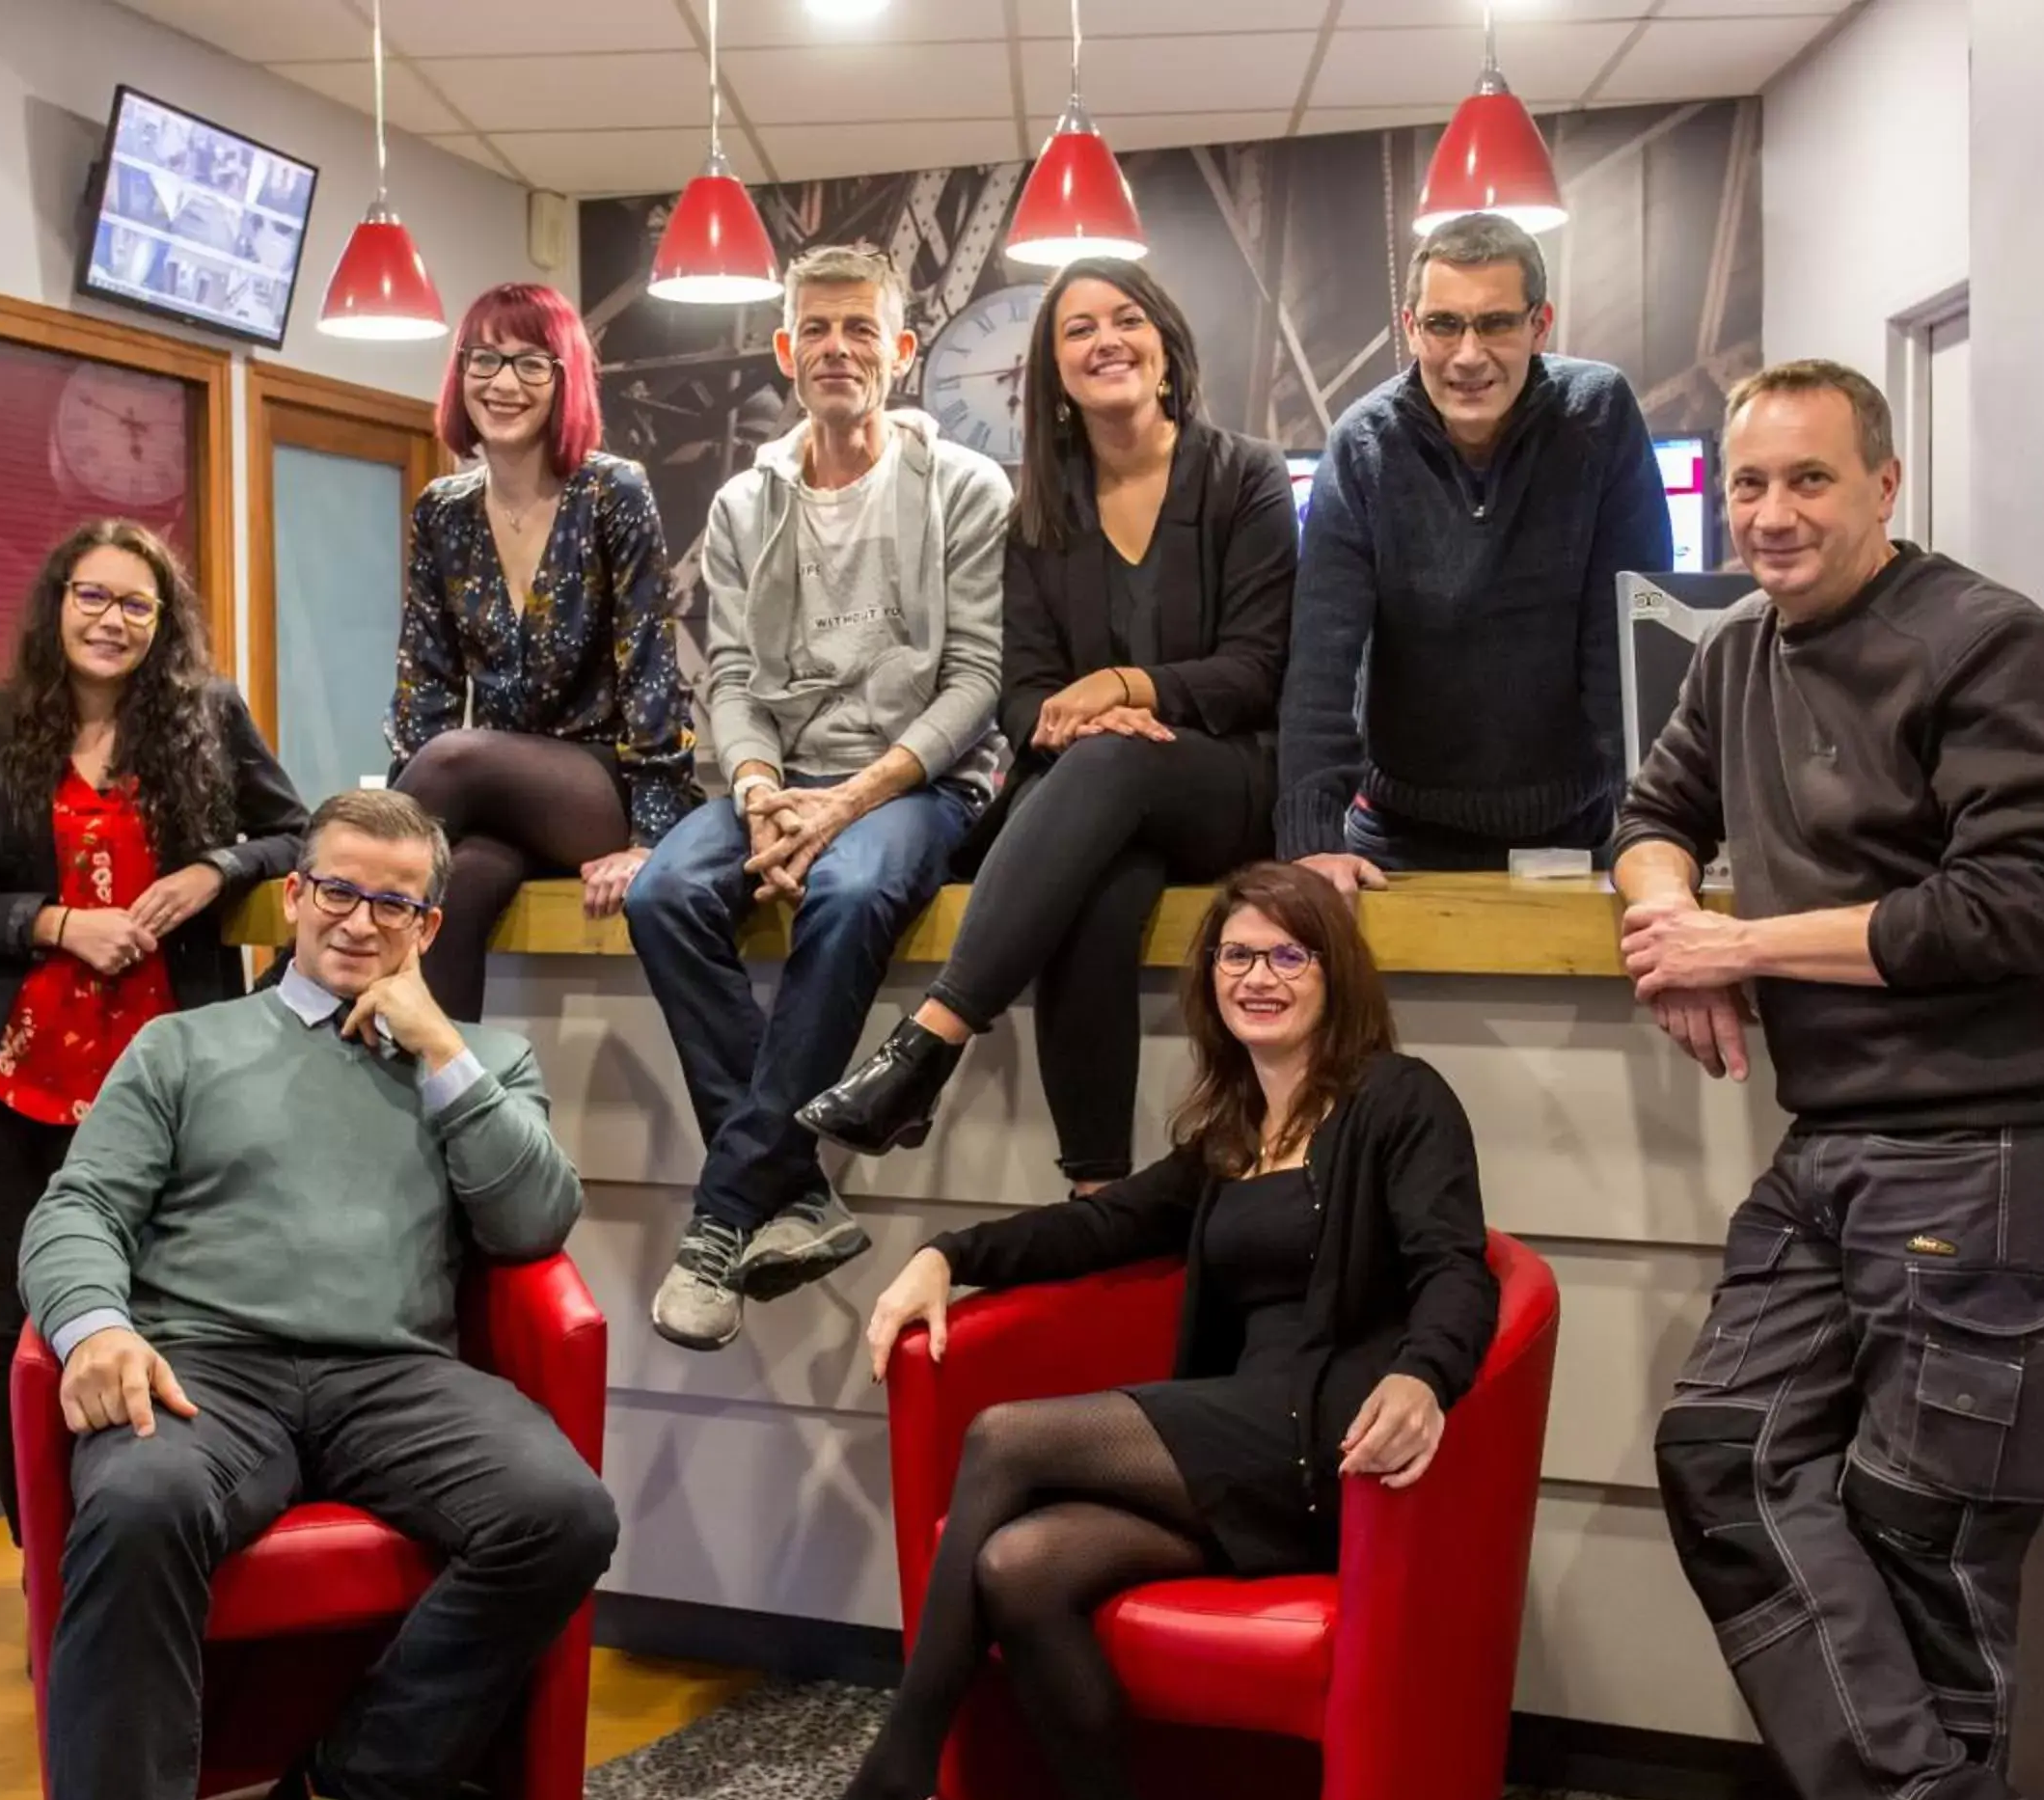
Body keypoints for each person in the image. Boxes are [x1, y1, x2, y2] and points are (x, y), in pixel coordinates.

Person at [721, 860, 1494, 1800]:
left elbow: (1458, 1264)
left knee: (1010, 1437)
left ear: (1333, 972)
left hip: (1319, 1446)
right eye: (1237, 956)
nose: (1257, 975)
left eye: (1286, 954)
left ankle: (897, 1782)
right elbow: (1093, 1226)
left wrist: (1430, 1376)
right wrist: (943, 1254)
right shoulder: (1235, 1134)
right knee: (1022, 1569)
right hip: (1231, 1456)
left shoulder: (1401, 1100)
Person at [1611, 360, 2044, 1800]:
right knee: (1723, 1453)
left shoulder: (1992, 649)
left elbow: (2025, 903)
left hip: (1987, 1154)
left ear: (1885, 485)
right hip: (1833, 1150)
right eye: (1746, 485)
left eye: (1806, 483)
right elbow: (1649, 813)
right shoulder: (1740, 656)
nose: (1768, 516)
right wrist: (1666, 921)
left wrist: (1745, 954)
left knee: (1918, 1546)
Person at [0, 789, 617, 1800]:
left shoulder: (478, 1054)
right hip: (209, 1362)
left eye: (394, 902)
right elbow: (78, 1207)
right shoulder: (185, 1046)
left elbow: (532, 1220)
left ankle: (350, 1792)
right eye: (339, 890)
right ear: (294, 898)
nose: (359, 919)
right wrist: (97, 1326)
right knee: (142, 1504)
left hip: (392, 1372)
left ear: (428, 925)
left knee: (562, 1509)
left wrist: (443, 1048)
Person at [795, 258, 1297, 1187]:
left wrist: (1123, 687)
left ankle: (928, 1044)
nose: (1107, 340)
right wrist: (1085, 720)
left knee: (1113, 767)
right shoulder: (1035, 512)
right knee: (1098, 902)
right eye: (1078, 330)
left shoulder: (1247, 477)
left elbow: (1258, 671)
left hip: (1227, 781)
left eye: (1127, 320)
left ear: (1165, 345)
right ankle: (1096, 1187)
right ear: (1054, 373)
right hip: (1099, 801)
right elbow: (1022, 695)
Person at [623, 242, 1012, 1351]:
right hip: (777, 779)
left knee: (844, 896)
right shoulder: (748, 500)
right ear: (790, 353)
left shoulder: (968, 489)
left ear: (900, 352)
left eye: (861, 330)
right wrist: (756, 794)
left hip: (916, 777)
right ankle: (793, 1190)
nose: (839, 349)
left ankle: (721, 1217)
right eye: (819, 332)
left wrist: (845, 805)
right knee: (663, 895)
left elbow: (978, 683)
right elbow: (732, 677)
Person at [0, 520, 306, 1546]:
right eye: (93, 596)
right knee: (12, 1322)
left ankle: (134, 1547)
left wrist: (219, 869)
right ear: (56, 602)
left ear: (163, 625)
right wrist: (54, 923)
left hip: (154, 1083)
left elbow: (297, 831)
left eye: (136, 604)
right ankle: (44, 1560)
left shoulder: (208, 718)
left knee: (149, 1314)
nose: (111, 620)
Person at [1276, 212, 1672, 894]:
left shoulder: (1599, 416)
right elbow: (1321, 657)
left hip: (1574, 832)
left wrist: (1663, 822)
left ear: (1539, 325)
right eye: (1444, 325)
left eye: (1495, 323)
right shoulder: (1362, 444)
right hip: (1397, 834)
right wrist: (1313, 842)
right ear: (1411, 327)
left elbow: (1629, 638)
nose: (1467, 355)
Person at [388, 281, 695, 1020]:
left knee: (459, 757)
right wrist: (434, 820)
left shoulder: (613, 492)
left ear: (566, 382)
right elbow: (423, 685)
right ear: (460, 374)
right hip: (490, 800)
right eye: (485, 360)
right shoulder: (442, 510)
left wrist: (650, 840)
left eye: (532, 364)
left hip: (600, 790)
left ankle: (302, 964)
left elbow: (654, 675)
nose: (503, 383)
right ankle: (440, 1114)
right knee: (456, 894)